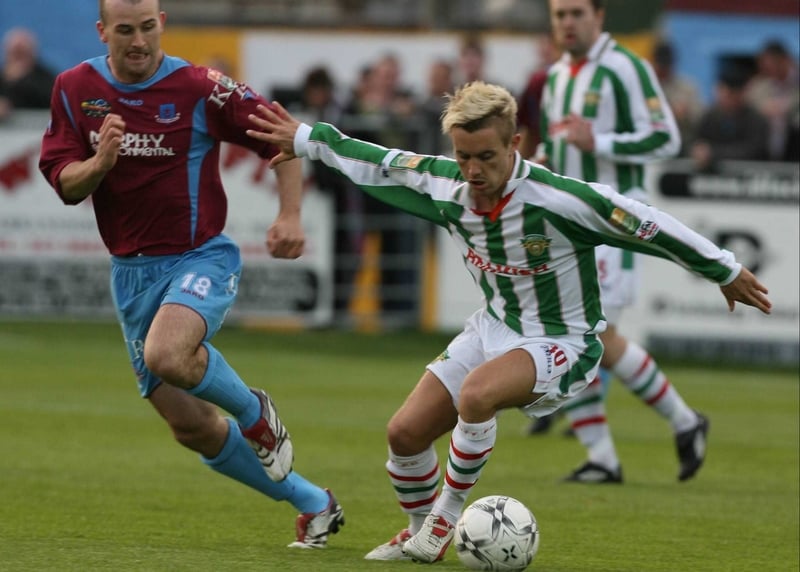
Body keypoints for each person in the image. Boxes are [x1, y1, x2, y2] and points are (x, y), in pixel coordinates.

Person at [245, 81, 771, 563]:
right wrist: (309, 138)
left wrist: (722, 269)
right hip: (492, 327)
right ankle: (418, 534)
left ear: (515, 142)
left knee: (476, 396)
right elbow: (380, 161)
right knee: (404, 434)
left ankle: (444, 521)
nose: (473, 170)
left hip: (562, 340)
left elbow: (646, 223)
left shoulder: (559, 200)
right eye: (463, 156)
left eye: (486, 157)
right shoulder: (448, 185)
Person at [37, 0, 343, 548]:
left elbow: (282, 136)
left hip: (199, 257)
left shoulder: (202, 87)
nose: (138, 42)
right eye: (124, 31)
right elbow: (64, 182)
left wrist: (290, 215)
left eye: (148, 28)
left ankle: (255, 413)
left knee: (168, 354)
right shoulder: (73, 87)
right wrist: (100, 164)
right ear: (102, 32)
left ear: (163, 25)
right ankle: (313, 502)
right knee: (192, 427)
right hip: (129, 275)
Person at [532, 0, 709, 485]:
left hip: (617, 219)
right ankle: (605, 459)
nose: (567, 23)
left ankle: (683, 420)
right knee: (574, 336)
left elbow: (666, 138)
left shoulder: (626, 69)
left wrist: (602, 144)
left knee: (596, 335)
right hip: (569, 222)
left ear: (599, 16)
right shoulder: (555, 76)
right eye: (559, 14)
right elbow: (555, 144)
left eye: (575, 13)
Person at [690, 65, 770, 173]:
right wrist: (698, 150)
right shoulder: (710, 116)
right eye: (722, 92)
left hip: (750, 177)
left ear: (741, 93)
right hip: (711, 178)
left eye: (731, 94)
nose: (727, 99)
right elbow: (697, 140)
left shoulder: (755, 119)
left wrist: (713, 152)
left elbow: (754, 150)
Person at [745, 40, 800, 162]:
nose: (767, 69)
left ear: (786, 60)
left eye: (771, 65)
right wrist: (762, 109)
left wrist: (788, 107)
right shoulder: (758, 86)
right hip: (768, 149)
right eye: (764, 66)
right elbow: (749, 108)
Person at [651, 39, 704, 157]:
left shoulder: (687, 87)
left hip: (682, 145)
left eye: (667, 65)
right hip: (652, 145)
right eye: (661, 65)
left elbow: (700, 118)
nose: (664, 70)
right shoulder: (646, 87)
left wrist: (685, 114)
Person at [517, 34, 559, 160]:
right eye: (542, 44)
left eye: (549, 45)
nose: (545, 49)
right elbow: (527, 126)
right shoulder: (535, 78)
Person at [0, 27, 56, 120]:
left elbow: (49, 99)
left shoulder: (45, 78)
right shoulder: (2, 77)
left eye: (22, 53)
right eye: (15, 53)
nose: (18, 59)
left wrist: (20, 80)